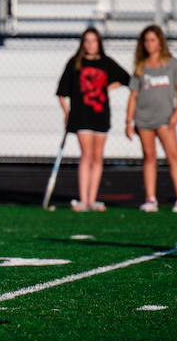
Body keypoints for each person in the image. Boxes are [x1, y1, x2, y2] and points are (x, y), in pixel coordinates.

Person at [125, 25, 177, 213]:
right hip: (143, 119)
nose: (149, 44)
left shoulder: (172, 63)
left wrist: (176, 115)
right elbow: (133, 95)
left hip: (165, 119)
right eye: (146, 40)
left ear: (160, 42)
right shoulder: (140, 66)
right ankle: (150, 199)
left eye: (153, 40)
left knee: (174, 157)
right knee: (149, 157)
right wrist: (128, 121)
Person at [56, 27, 130, 212]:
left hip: (101, 115)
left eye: (93, 41)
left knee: (98, 156)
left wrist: (107, 89)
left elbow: (127, 79)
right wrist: (67, 113)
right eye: (87, 41)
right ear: (83, 44)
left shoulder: (107, 62)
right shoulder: (75, 63)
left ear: (99, 43)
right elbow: (62, 92)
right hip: (81, 116)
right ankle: (83, 200)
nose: (90, 45)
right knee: (87, 154)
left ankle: (92, 199)